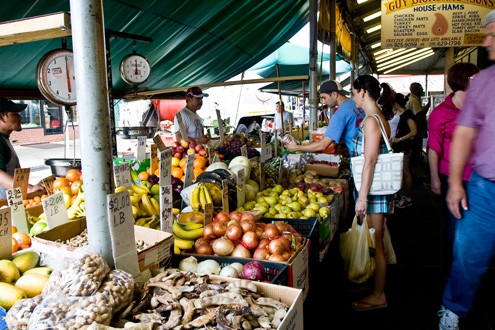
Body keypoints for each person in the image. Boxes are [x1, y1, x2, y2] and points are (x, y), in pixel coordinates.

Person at [438, 10, 495, 330]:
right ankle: (453, 308)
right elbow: (463, 133)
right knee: (469, 253)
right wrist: (455, 183)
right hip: (486, 187)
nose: (486, 42)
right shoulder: (484, 82)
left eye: (493, 35)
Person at [427, 62, 479, 274]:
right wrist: (435, 178)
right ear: (464, 81)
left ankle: (470, 269)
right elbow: (433, 148)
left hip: (478, 176)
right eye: (474, 79)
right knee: (454, 225)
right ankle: (451, 270)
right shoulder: (441, 113)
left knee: (475, 226)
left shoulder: (480, 107)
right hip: (452, 176)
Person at [349, 75, 394, 312]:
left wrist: (362, 197)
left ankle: (379, 295)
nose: (353, 97)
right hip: (373, 187)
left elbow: (370, 161)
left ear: (363, 92)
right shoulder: (379, 118)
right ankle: (373, 285)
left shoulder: (371, 121)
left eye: (354, 92)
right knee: (375, 242)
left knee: (377, 243)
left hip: (374, 189)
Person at [284, 80, 365, 152]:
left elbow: (323, 145)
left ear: (334, 94)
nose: (323, 102)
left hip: (360, 156)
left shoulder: (339, 115)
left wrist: (296, 147)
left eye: (324, 97)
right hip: (368, 148)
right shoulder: (356, 103)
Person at [0, 97, 45, 199]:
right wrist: (28, 188)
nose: (20, 117)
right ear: (2, 117)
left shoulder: (4, 139)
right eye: (15, 114)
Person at [391, 93, 417, 208]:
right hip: (399, 146)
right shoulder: (401, 114)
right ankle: (402, 196)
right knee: (401, 171)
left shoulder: (408, 115)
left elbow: (414, 132)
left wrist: (399, 139)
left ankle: (407, 197)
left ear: (396, 103)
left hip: (404, 147)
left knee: (405, 172)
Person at [406, 82, 431, 179]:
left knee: (416, 152)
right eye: (420, 88)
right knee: (415, 153)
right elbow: (420, 114)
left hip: (417, 132)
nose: (422, 90)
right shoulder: (414, 101)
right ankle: (414, 174)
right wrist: (429, 104)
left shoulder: (414, 100)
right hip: (416, 132)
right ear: (416, 89)